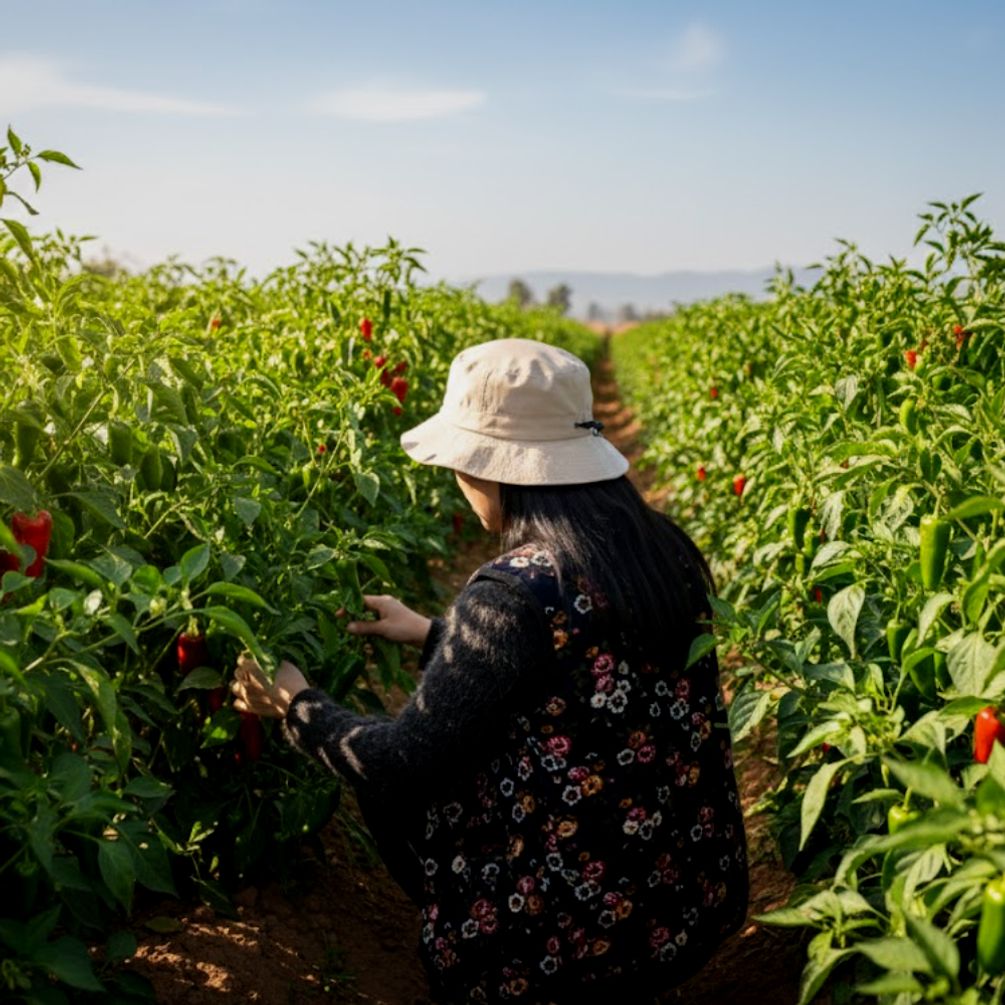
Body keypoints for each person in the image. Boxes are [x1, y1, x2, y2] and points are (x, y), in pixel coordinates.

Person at [231, 338, 749, 1005]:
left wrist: (296, 702)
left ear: (499, 468)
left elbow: (398, 762)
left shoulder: (513, 590)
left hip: (559, 946)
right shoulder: (660, 548)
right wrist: (434, 634)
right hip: (682, 903)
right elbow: (585, 681)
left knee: (397, 769)